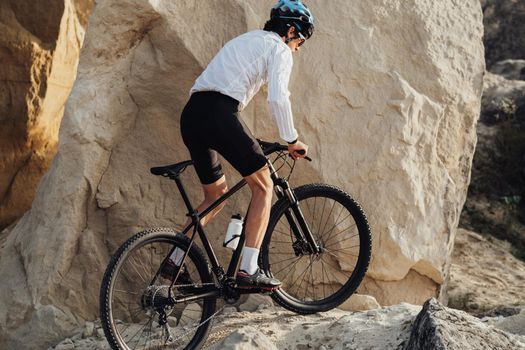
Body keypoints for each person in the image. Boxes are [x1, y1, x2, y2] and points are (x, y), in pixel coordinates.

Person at [163, 0, 315, 289]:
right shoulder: (279, 49)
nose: (299, 47)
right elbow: (278, 97)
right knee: (264, 186)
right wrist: (292, 139)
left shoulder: (247, 40)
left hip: (193, 114)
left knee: (215, 194)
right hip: (220, 113)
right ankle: (248, 269)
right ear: (292, 30)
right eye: (301, 40)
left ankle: (174, 260)